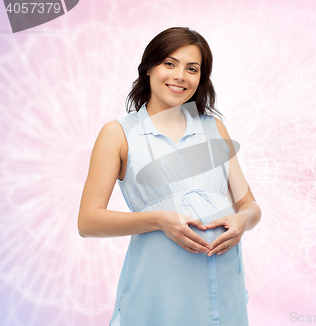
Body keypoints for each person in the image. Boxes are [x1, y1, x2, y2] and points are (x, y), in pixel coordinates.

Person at [77, 27, 261, 326]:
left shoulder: (215, 129)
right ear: (149, 68)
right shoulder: (119, 134)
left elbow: (250, 205)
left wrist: (243, 221)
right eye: (170, 63)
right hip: (160, 288)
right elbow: (87, 222)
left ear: (201, 78)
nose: (180, 76)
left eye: (192, 68)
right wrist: (159, 220)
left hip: (225, 282)